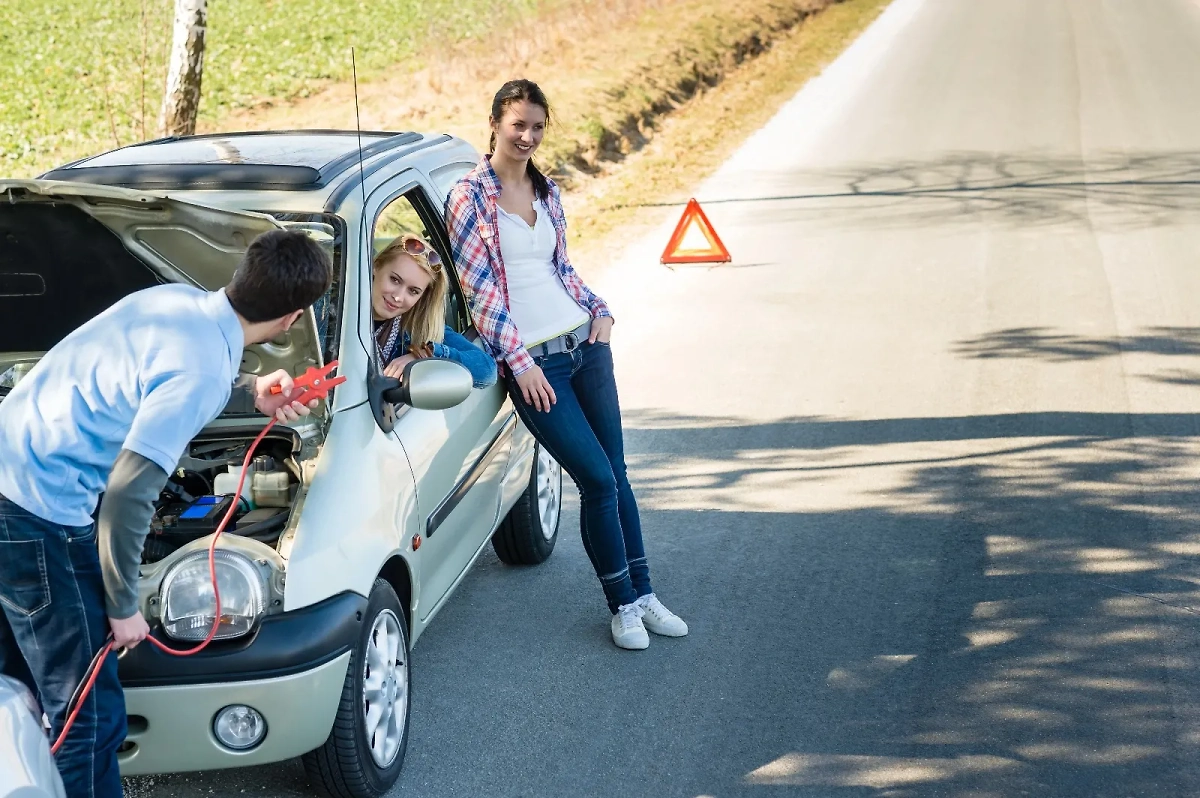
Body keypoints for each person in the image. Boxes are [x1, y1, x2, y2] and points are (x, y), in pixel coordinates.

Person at [0, 229, 332, 798]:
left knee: (16, 686)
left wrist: (251, 389)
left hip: (12, 479)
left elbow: (159, 376)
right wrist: (125, 604)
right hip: (36, 515)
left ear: (242, 271)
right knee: (89, 713)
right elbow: (129, 494)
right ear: (293, 318)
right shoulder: (199, 369)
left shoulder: (171, 301)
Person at [445, 79, 687, 650]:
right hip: (538, 368)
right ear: (496, 124)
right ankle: (621, 606)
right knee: (597, 479)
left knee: (620, 474)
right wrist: (519, 361)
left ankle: (646, 593)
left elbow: (563, 270)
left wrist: (599, 310)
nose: (527, 136)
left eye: (536, 127)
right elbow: (483, 296)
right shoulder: (469, 197)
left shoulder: (547, 191)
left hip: (585, 345)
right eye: (517, 125)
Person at [371, 232, 496, 388]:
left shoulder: (417, 329)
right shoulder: (336, 312)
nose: (398, 297)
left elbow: (487, 372)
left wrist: (423, 356)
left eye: (413, 291)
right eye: (395, 280)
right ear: (376, 266)